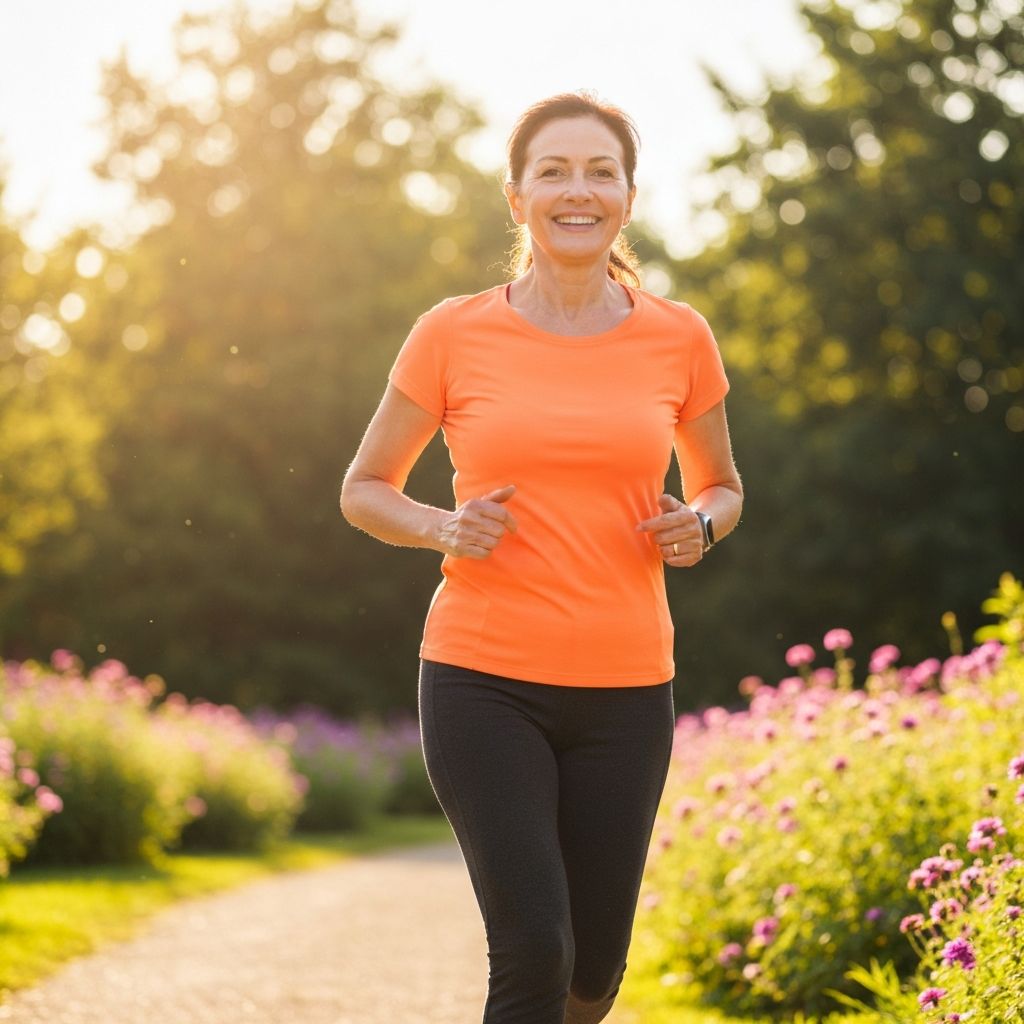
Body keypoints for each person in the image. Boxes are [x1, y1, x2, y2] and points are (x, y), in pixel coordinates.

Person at [340, 91, 743, 1024]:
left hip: (629, 689)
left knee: (593, 975)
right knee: (532, 951)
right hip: (483, 679)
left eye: (601, 171)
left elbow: (723, 484)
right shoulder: (452, 331)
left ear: (628, 199)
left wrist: (704, 523)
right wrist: (443, 525)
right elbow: (364, 488)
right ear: (517, 198)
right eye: (554, 171)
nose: (579, 189)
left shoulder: (679, 336)